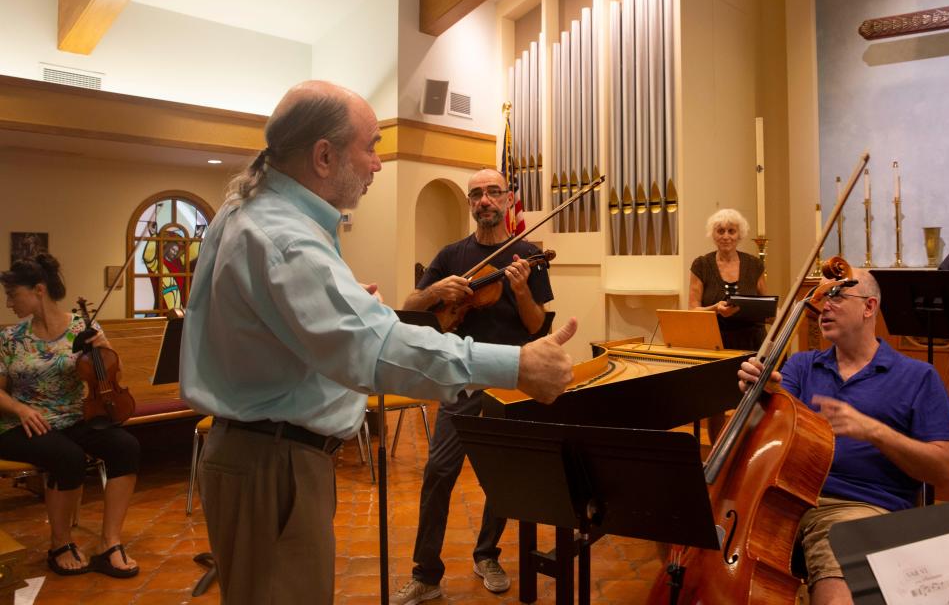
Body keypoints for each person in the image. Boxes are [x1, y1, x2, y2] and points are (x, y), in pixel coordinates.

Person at [179, 81, 577, 605]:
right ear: (324, 156)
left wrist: (342, 301)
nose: (377, 164)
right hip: (273, 463)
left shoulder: (254, 212)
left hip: (266, 454)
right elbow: (377, 348)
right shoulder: (285, 237)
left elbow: (305, 327)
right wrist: (516, 365)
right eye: (370, 147)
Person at [738, 269, 949, 605]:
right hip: (782, 499)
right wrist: (762, 397)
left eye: (837, 296)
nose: (824, 306)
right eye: (824, 297)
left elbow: (943, 470)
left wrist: (874, 431)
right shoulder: (801, 366)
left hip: (858, 508)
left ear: (869, 307)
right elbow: (770, 436)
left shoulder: (918, 377)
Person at [391, 168, 551, 604]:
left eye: (492, 192)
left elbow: (536, 327)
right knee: (439, 472)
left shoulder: (528, 253)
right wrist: (435, 290)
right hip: (459, 378)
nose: (484, 200)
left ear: (507, 199)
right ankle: (426, 574)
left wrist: (519, 292)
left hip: (509, 380)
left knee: (501, 476)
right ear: (471, 203)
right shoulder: (451, 255)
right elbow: (409, 307)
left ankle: (487, 554)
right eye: (477, 194)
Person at [0, 254, 140, 579]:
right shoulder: (9, 338)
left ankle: (110, 543)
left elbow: (111, 375)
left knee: (126, 446)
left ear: (38, 290)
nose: (8, 302)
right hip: (22, 424)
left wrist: (103, 349)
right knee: (68, 457)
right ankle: (60, 544)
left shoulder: (82, 328)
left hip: (76, 417)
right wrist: (20, 408)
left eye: (12, 294)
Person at [689, 208, 768, 441]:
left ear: (739, 234)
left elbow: (766, 304)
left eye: (731, 231)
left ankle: (751, 450)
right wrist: (715, 308)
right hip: (716, 343)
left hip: (752, 341)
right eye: (720, 231)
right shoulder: (701, 264)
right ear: (713, 235)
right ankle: (715, 453)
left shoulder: (754, 264)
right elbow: (693, 308)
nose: (726, 236)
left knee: (755, 400)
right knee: (715, 403)